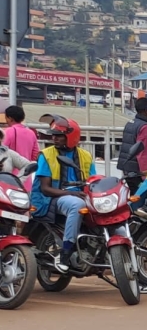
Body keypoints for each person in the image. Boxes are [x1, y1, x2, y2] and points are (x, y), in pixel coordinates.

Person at [30, 116, 94, 272]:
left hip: (78, 194)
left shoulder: (86, 156)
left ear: (71, 137)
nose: (54, 138)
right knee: (77, 206)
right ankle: (66, 252)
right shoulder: (46, 154)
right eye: (53, 135)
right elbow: (45, 189)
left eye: (59, 135)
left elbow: (93, 181)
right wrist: (72, 194)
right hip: (50, 198)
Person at [117, 97, 147, 184]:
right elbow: (145, 154)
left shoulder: (131, 123)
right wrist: (146, 177)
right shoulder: (146, 128)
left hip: (127, 168)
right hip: (138, 172)